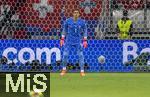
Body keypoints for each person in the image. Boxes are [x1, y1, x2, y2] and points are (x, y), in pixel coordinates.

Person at [60, 9, 88, 76]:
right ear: (72, 13)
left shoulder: (82, 22)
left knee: (80, 55)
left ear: (79, 14)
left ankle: (82, 71)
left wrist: (85, 40)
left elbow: (85, 30)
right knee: (65, 55)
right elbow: (64, 29)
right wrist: (62, 39)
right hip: (69, 40)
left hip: (78, 41)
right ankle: (64, 69)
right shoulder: (68, 21)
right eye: (74, 12)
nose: (76, 14)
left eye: (77, 12)